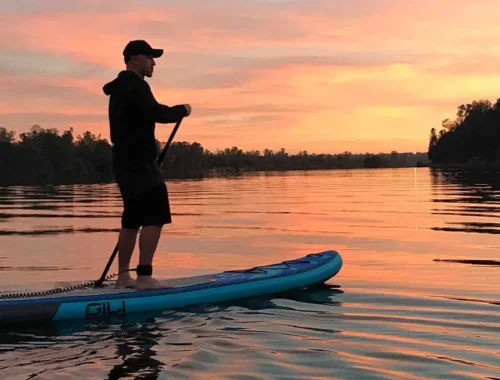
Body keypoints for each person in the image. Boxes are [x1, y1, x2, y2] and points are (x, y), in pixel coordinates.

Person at [102, 40, 191, 290]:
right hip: (139, 163)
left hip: (123, 162)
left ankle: (122, 278)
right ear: (134, 59)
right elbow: (157, 113)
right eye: (150, 58)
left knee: (132, 219)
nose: (153, 63)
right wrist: (181, 110)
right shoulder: (136, 85)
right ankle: (143, 276)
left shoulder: (120, 87)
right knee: (155, 216)